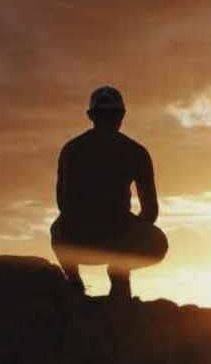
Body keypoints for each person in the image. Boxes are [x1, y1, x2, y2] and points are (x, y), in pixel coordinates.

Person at [50, 86, 168, 298]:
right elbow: (150, 211)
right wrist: (128, 230)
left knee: (57, 228)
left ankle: (74, 282)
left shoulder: (71, 149)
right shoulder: (135, 152)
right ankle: (118, 275)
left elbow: (62, 202)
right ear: (122, 115)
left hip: (74, 241)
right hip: (116, 238)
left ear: (90, 116)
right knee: (157, 241)